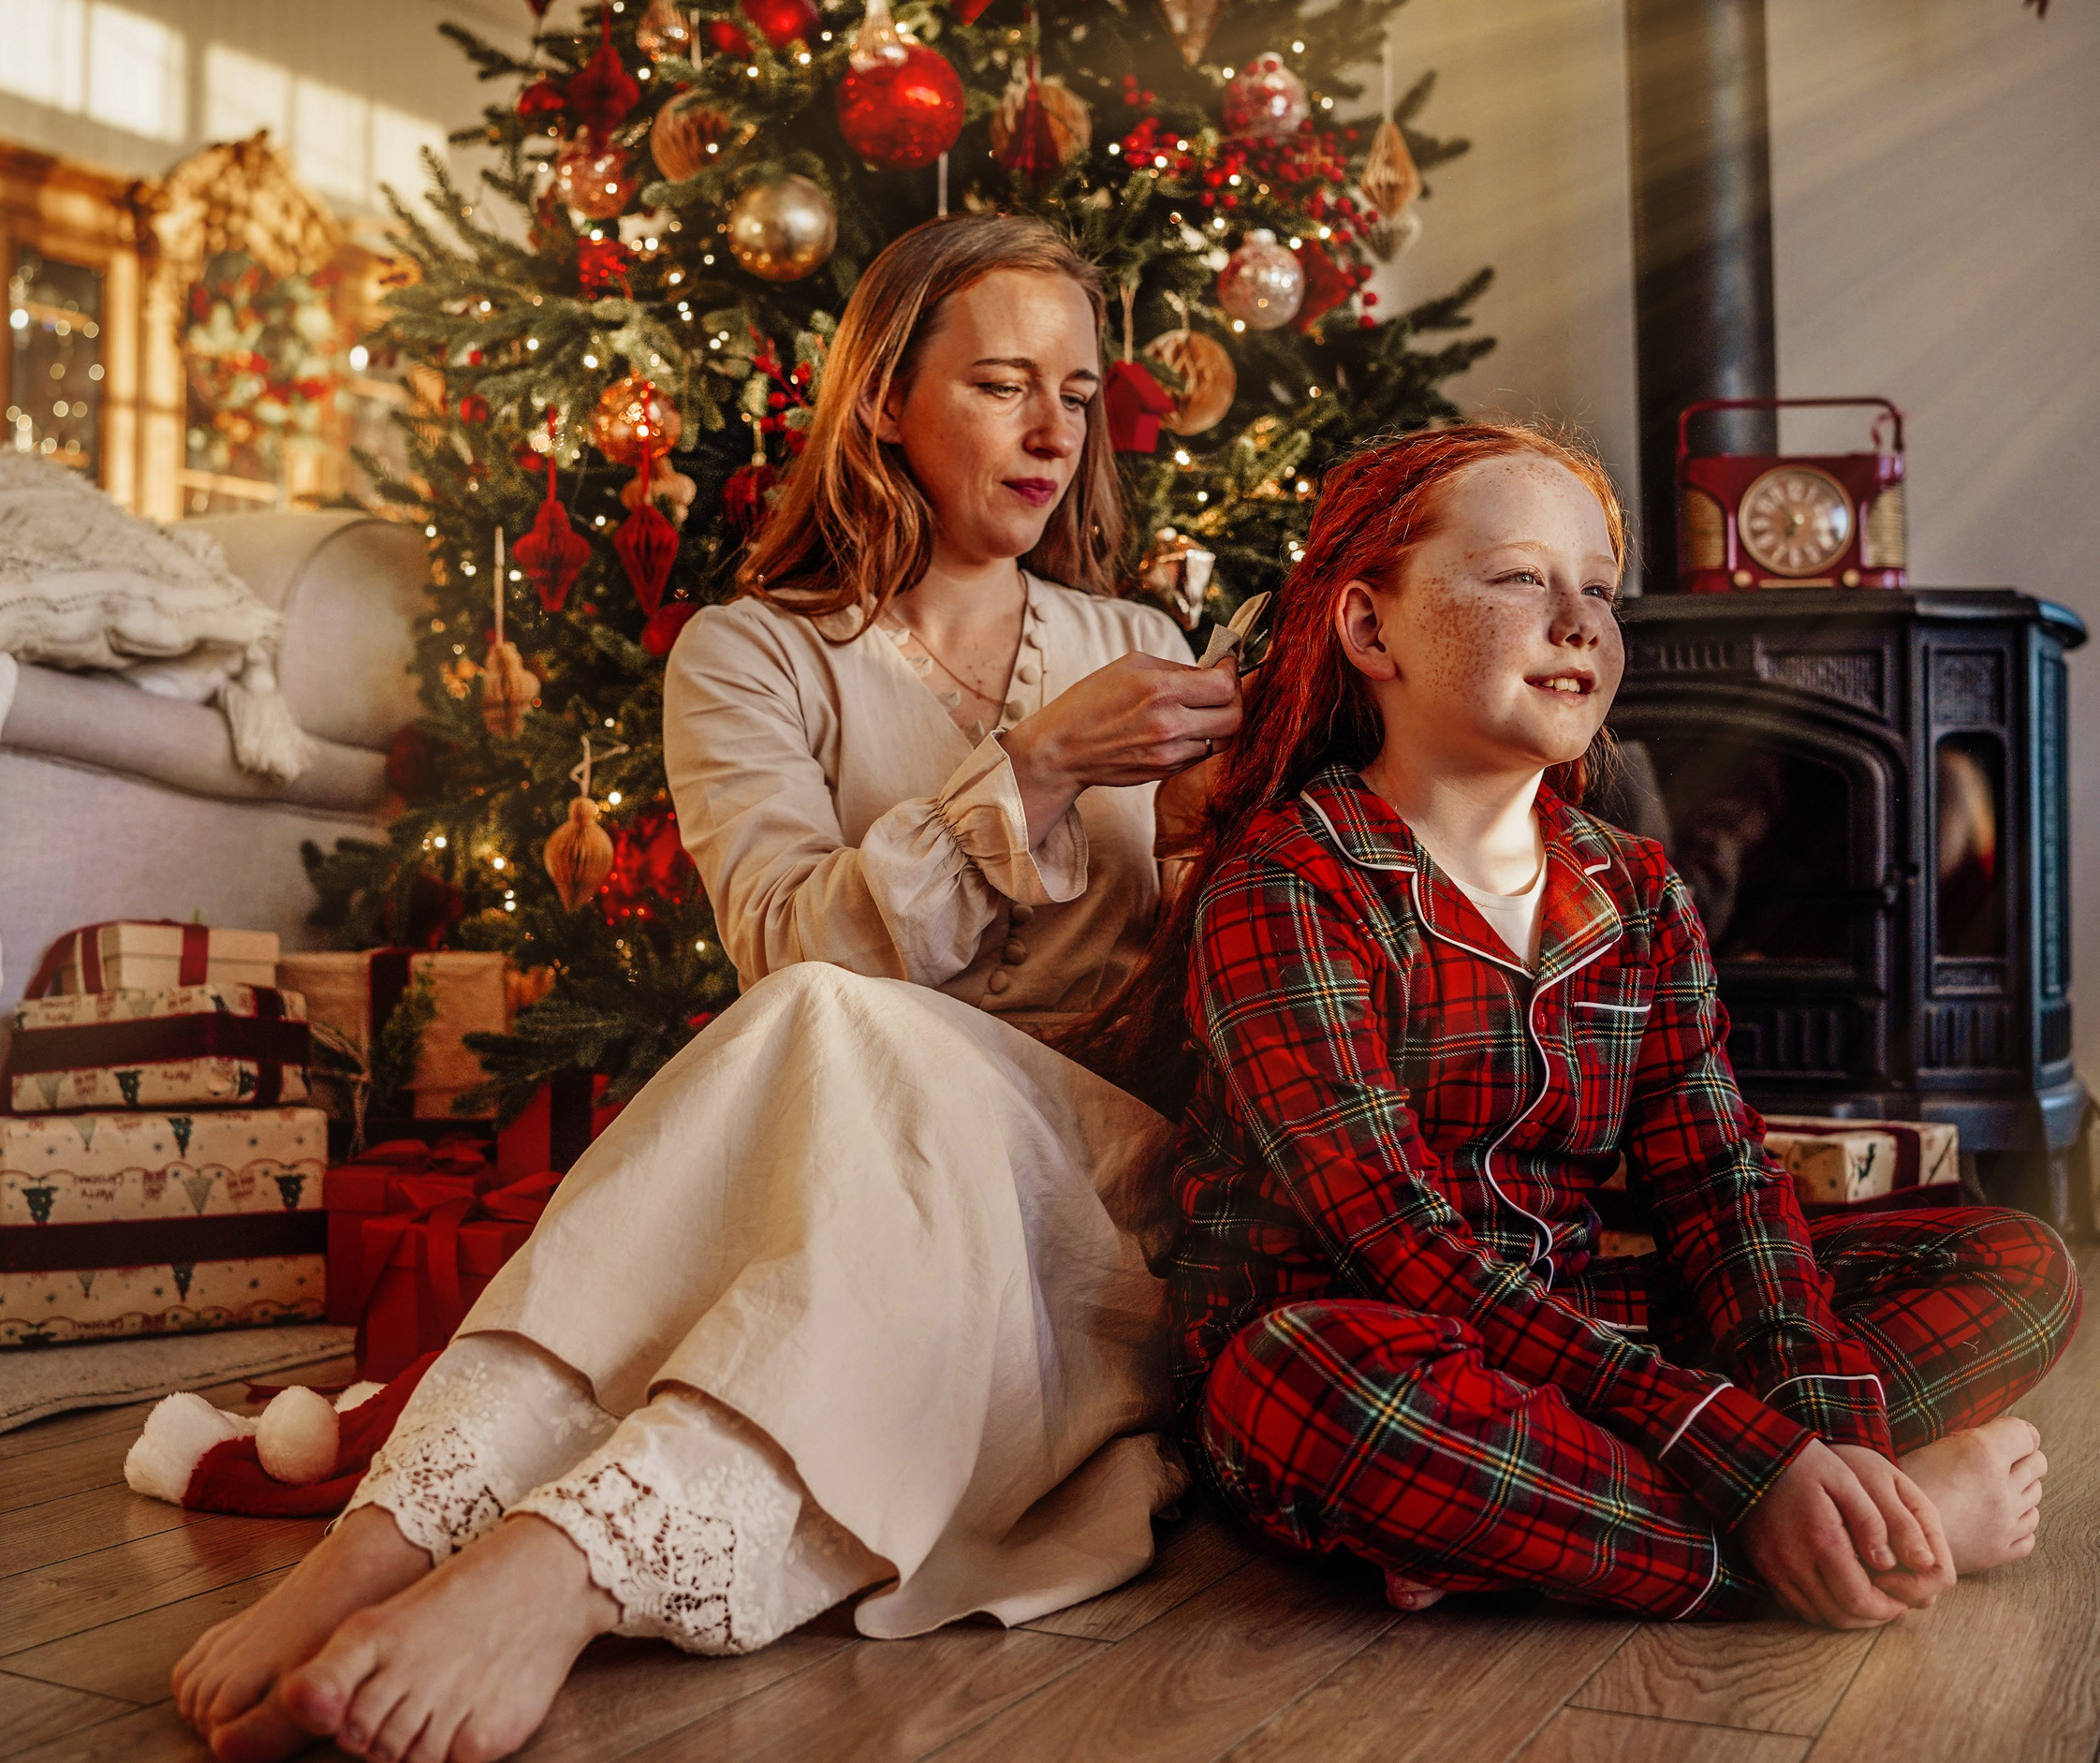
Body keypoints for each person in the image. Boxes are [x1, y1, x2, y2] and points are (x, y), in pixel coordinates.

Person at [170, 213, 1241, 1763]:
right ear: (883, 398)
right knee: (823, 1009)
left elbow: (1215, 958)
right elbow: (791, 944)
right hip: (847, 1140)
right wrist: (1044, 764)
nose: (1052, 430)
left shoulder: (1139, 641)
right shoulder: (749, 654)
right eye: (1004, 382)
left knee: (832, 1024)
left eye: (1076, 392)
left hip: (1081, 1189)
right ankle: (392, 1536)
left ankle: (555, 1572)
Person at [1077, 422, 2078, 1627]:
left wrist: (1815, 1434)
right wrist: (1739, 1452)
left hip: (1577, 1329)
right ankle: (1821, 1549)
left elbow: (1715, 1184)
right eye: (1518, 577)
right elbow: (1392, 1241)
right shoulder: (1292, 882)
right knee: (1303, 1386)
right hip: (1375, 1348)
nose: (1579, 620)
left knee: (2014, 1260)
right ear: (1367, 628)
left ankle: (1806, 1513)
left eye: (1598, 588)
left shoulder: (1637, 888)